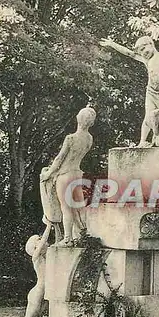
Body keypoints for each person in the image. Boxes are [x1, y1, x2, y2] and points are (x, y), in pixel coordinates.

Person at [40, 106, 96, 247]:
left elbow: (59, 159)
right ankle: (83, 236)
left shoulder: (71, 138)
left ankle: (68, 239)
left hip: (66, 176)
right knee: (79, 208)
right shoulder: (89, 139)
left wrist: (48, 174)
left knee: (66, 208)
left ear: (78, 118)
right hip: (79, 174)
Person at [13, 221, 52, 317]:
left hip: (47, 292)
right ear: (35, 247)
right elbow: (42, 245)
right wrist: (49, 225)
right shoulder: (36, 257)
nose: (42, 240)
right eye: (38, 239)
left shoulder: (50, 255)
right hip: (38, 292)